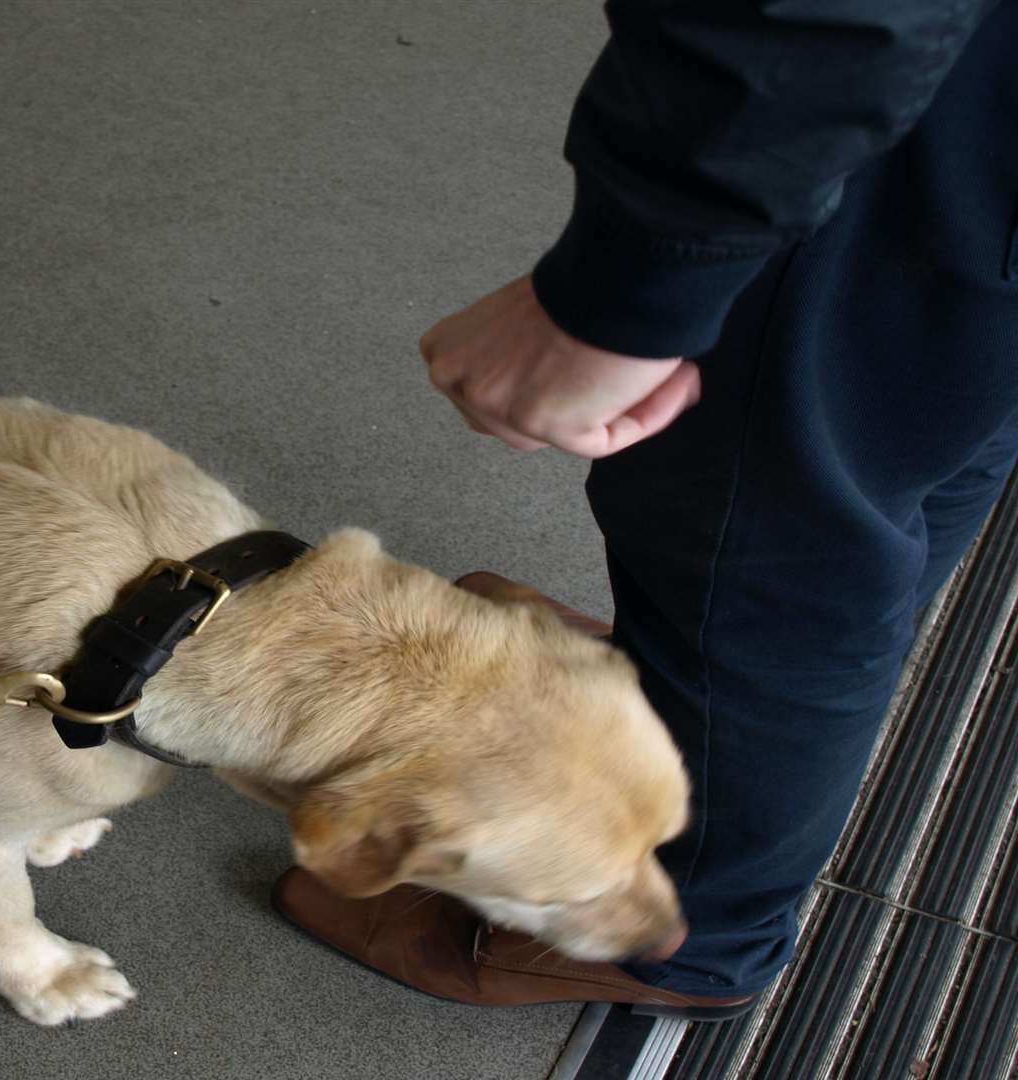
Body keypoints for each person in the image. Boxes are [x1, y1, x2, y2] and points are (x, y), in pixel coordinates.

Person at [273, 0, 1018, 1020]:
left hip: (888, 100)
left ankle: (696, 928)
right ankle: (715, 694)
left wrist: (632, 290)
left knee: (765, 528)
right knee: (924, 408)